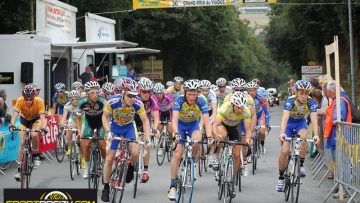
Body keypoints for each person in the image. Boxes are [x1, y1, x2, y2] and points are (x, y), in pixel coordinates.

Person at [101, 78, 151, 202]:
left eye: (135, 95)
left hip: (129, 128)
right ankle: (106, 187)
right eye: (130, 95)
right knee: (109, 158)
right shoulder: (113, 101)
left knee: (135, 152)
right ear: (123, 93)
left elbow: (145, 120)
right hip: (115, 128)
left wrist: (148, 137)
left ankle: (130, 167)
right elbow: (105, 117)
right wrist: (108, 132)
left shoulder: (138, 103)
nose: (132, 98)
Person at [168, 79, 213, 201]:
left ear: (197, 93)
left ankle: (194, 162)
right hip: (180, 126)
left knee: (197, 140)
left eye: (194, 94)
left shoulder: (201, 101)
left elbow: (207, 121)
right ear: (185, 92)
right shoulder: (179, 100)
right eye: (189, 94)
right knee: (177, 154)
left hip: (193, 125)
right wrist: (176, 133)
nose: (192, 97)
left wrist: (209, 136)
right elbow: (175, 120)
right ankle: (172, 186)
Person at [276, 80, 320, 192]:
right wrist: (282, 133)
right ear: (296, 92)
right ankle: (281, 178)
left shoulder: (311, 102)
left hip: (300, 123)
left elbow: (314, 121)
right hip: (289, 125)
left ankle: (300, 163)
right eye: (301, 93)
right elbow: (284, 118)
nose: (304, 96)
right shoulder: (290, 101)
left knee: (303, 138)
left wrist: (316, 135)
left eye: (306, 93)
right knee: (285, 150)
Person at [213, 91, 252, 198]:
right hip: (222, 125)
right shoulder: (225, 107)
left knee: (236, 154)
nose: (240, 110)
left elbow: (248, 129)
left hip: (235, 128)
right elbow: (215, 125)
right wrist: (216, 136)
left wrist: (248, 139)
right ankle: (216, 158)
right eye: (238, 107)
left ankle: (231, 181)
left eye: (242, 107)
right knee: (222, 135)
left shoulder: (246, 111)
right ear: (233, 105)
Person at [9, 85, 48, 181]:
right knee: (22, 142)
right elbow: (14, 115)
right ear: (24, 97)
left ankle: (35, 155)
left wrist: (43, 128)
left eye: (30, 99)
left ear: (34, 97)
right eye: (26, 99)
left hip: (36, 120)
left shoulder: (39, 101)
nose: (28, 101)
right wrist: (12, 125)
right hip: (24, 120)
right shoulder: (20, 100)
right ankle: (19, 170)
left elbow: (42, 118)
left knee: (34, 134)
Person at [323, 80, 352, 197]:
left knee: (342, 162)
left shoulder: (340, 101)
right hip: (336, 135)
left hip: (340, 136)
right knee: (338, 162)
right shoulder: (338, 100)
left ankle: (343, 188)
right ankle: (340, 185)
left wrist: (334, 119)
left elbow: (338, 116)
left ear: (330, 91)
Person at [76, 81, 107, 179]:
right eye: (92, 93)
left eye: (97, 92)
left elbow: (107, 117)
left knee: (102, 144)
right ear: (87, 93)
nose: (95, 95)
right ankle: (87, 167)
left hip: (101, 122)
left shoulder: (103, 102)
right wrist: (79, 131)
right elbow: (78, 118)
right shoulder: (81, 102)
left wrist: (108, 130)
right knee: (85, 143)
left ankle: (104, 163)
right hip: (88, 122)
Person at [135, 77, 159, 183]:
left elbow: (156, 117)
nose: (146, 94)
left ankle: (145, 170)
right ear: (139, 90)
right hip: (134, 121)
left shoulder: (153, 99)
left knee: (147, 142)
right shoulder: (134, 98)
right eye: (144, 91)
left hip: (146, 122)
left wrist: (154, 128)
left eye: (149, 92)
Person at [247, 82, 270, 154]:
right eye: (250, 90)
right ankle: (249, 149)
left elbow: (266, 111)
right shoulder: (245, 98)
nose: (251, 92)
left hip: (260, 115)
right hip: (250, 116)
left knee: (262, 132)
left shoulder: (261, 98)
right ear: (247, 91)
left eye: (253, 90)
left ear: (256, 90)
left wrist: (267, 123)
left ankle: (262, 145)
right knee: (250, 131)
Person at [60, 90, 80, 156]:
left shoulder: (81, 105)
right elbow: (64, 116)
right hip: (73, 120)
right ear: (70, 100)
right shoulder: (67, 106)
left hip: (81, 120)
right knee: (69, 130)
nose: (74, 100)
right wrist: (62, 125)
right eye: (72, 99)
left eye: (76, 99)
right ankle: (69, 148)